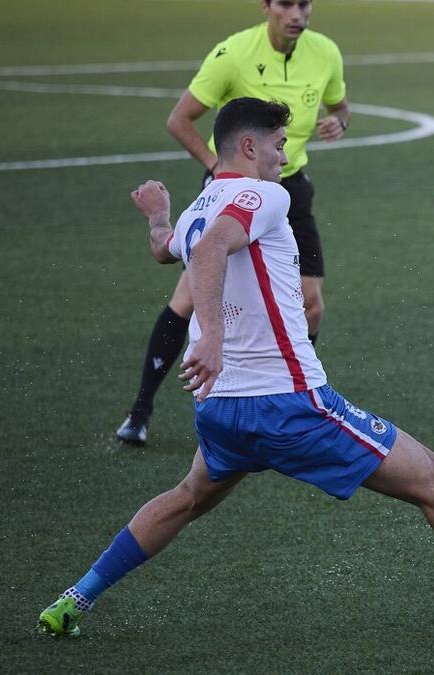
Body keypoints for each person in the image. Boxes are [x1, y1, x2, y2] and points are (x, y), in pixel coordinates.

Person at [38, 98, 434, 652]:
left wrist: (159, 217)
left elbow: (172, 248)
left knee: (186, 498)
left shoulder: (198, 207)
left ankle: (75, 598)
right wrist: (213, 339)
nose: (283, 156)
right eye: (276, 145)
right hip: (287, 405)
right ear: (247, 147)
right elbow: (216, 248)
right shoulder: (264, 197)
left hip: (221, 410)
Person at [117, 0, 348, 445]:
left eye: (305, 4)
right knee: (187, 299)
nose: (297, 13)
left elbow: (342, 108)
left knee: (312, 303)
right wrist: (219, 170)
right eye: (286, 4)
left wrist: (338, 121)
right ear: (266, 7)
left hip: (289, 188)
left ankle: (286, 390)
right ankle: (141, 410)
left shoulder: (326, 52)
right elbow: (179, 119)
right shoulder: (233, 53)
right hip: (232, 190)